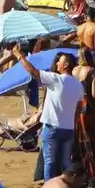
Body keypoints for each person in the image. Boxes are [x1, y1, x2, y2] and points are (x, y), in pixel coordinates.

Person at [12, 45, 84, 181]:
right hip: (68, 129)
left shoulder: (56, 79)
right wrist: (73, 125)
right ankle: (67, 187)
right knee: (65, 162)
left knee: (50, 161)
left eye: (59, 61)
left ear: (66, 65)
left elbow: (32, 71)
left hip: (53, 127)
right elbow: (78, 109)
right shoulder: (78, 85)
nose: (57, 63)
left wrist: (19, 56)